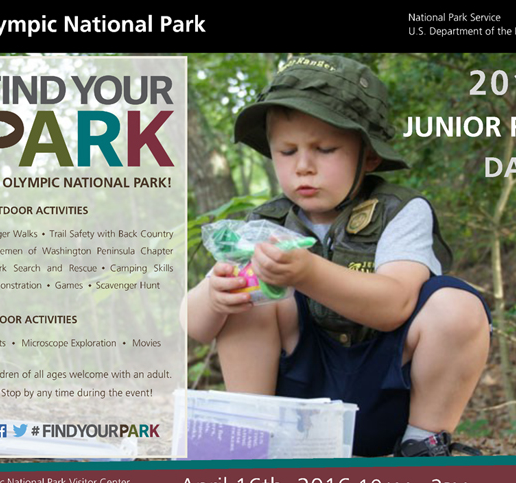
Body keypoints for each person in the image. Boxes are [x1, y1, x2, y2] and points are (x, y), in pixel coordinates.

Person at [187, 54, 491, 457]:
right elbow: (196, 326)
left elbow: (395, 304)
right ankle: (252, 439)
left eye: (325, 149)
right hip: (296, 401)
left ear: (369, 156)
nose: (304, 167)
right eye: (287, 151)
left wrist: (308, 272)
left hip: (384, 394)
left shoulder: (401, 211)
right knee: (250, 297)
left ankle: (423, 445)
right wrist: (214, 295)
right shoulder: (265, 224)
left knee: (458, 305)